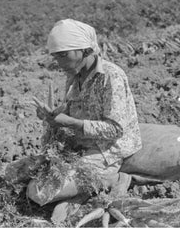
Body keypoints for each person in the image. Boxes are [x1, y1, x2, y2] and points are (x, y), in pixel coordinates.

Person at [28, 19, 142, 221]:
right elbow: (71, 114)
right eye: (56, 57)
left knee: (39, 192)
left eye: (64, 55)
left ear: (84, 50)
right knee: (21, 175)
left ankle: (112, 179)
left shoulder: (111, 76)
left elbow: (115, 129)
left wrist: (70, 123)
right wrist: (53, 118)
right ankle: (84, 188)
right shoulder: (74, 76)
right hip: (79, 145)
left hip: (107, 150)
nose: (60, 63)